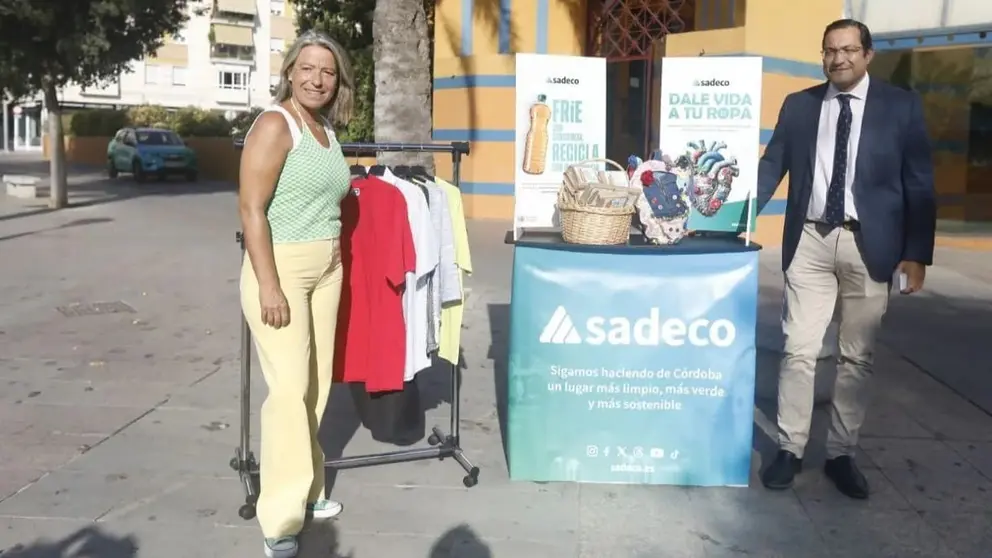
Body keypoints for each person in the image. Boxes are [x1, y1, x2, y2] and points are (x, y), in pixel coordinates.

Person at [754, 19, 936, 499]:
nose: (839, 59)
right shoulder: (800, 105)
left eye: (850, 50)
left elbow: (919, 183)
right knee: (798, 350)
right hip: (810, 240)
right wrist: (736, 213)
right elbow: (772, 164)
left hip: (870, 245)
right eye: (830, 50)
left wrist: (916, 254)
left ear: (868, 55)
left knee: (857, 357)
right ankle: (789, 449)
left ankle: (840, 454)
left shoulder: (902, 107)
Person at [238, 30, 355, 558]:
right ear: (289, 71)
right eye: (307, 68)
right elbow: (251, 210)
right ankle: (280, 521)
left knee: (315, 388)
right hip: (280, 268)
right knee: (287, 392)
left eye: (327, 72)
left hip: (327, 268)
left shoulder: (325, 128)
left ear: (338, 81)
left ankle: (309, 492)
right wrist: (268, 284)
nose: (317, 78)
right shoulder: (274, 124)